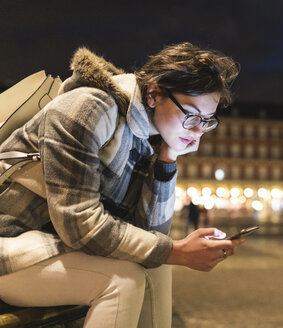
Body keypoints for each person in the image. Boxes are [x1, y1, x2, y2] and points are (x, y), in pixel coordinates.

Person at [0, 42, 241, 327]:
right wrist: (176, 251)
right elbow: (79, 224)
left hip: (50, 245)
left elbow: (152, 231)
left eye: (207, 120)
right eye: (191, 115)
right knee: (123, 281)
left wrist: (167, 157)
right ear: (153, 94)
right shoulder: (88, 109)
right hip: (11, 244)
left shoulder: (148, 138)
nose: (199, 130)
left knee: (158, 266)